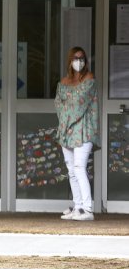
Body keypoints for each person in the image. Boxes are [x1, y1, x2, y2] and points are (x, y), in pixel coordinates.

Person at [55, 46, 100, 221]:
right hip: (66, 131)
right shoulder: (64, 81)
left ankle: (88, 209)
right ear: (69, 60)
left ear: (86, 61)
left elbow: (78, 104)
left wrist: (66, 111)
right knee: (71, 170)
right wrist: (66, 115)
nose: (78, 61)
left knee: (80, 167)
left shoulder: (89, 78)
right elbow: (58, 103)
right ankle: (78, 207)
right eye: (75, 58)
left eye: (81, 58)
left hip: (84, 130)